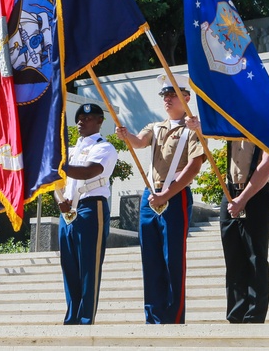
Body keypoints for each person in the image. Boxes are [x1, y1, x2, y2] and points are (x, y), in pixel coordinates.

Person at [115, 74, 206, 324]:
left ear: (186, 98)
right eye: (164, 95)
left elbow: (194, 166)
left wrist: (167, 194)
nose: (166, 99)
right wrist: (125, 135)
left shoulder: (193, 129)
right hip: (150, 195)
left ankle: (173, 317)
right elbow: (139, 142)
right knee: (151, 259)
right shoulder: (155, 127)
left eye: (172, 94)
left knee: (172, 259)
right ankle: (153, 317)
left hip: (174, 196)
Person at [58, 103, 118, 325]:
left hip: (91, 207)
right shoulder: (70, 151)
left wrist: (58, 166)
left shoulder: (104, 147)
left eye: (88, 118)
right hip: (69, 210)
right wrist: (60, 201)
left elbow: (89, 171)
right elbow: (58, 182)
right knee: (70, 267)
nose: (82, 122)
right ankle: (72, 316)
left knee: (88, 268)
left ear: (100, 122)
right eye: (80, 118)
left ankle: (86, 319)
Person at [219, 136, 269, 323]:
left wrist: (243, 200)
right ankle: (235, 315)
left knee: (256, 259)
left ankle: (254, 316)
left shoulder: (265, 126)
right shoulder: (231, 126)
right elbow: (209, 127)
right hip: (230, 192)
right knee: (233, 259)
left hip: (256, 195)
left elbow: (267, 164)